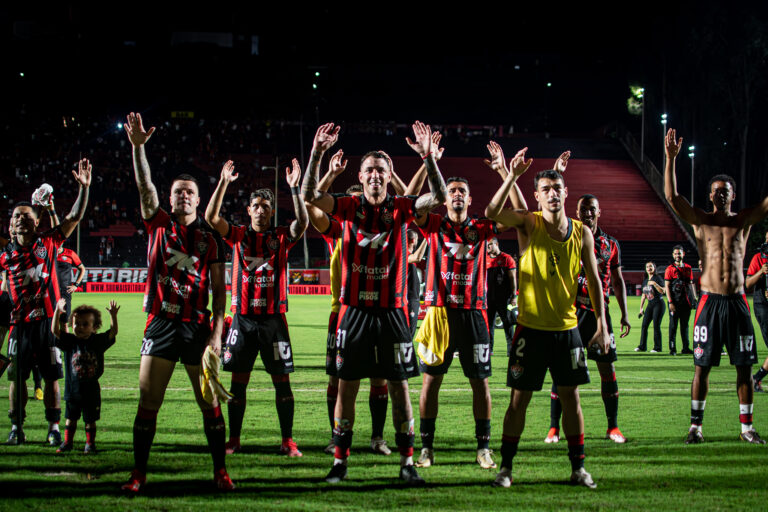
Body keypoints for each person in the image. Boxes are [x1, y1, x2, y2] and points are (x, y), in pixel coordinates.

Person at [302, 121, 447, 485]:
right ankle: (339, 461)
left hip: (393, 314)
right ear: (361, 176)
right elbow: (308, 196)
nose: (375, 176)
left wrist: (428, 157)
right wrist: (318, 153)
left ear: (389, 176)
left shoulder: (402, 207)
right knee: (347, 386)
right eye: (369, 170)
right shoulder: (347, 207)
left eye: (381, 170)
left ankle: (407, 462)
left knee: (399, 386)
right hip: (353, 313)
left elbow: (440, 196)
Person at [120, 113, 233, 492]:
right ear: (169, 199)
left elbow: (221, 294)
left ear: (199, 200)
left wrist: (216, 336)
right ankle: (138, 473)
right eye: (177, 192)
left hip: (197, 329)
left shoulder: (212, 240)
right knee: (147, 402)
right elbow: (144, 184)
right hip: (160, 325)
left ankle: (220, 471)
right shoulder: (157, 222)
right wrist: (139, 148)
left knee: (209, 404)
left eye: (189, 192)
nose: (182, 195)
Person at [485, 146, 609, 489]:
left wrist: (603, 326)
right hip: (530, 330)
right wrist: (509, 175)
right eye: (546, 190)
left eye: (558, 188)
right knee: (518, 402)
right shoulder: (528, 224)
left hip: (567, 330)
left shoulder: (583, 232)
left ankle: (578, 468)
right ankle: (506, 469)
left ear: (565, 192)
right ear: (537, 197)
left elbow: (595, 280)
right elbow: (491, 211)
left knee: (572, 400)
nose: (553, 194)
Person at [664, 128, 766, 445]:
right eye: (716, 191)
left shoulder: (743, 221)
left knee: (744, 368)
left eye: (726, 191)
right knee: (702, 368)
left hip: (737, 302)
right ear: (710, 195)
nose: (721, 195)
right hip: (709, 303)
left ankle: (746, 427)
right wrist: (670, 160)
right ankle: (696, 427)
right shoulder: (701, 221)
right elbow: (671, 198)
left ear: (733, 195)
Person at [204, 158, 308, 457]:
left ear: (272, 210)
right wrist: (224, 182)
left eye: (266, 206)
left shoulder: (280, 237)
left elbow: (302, 223)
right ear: (248, 210)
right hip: (242, 321)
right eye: (256, 206)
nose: (261, 210)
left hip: (274, 321)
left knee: (282, 383)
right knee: (238, 382)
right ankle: (234, 440)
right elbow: (212, 217)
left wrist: (295, 189)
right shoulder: (237, 235)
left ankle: (288, 440)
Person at [414, 174, 509, 471]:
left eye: (462, 191)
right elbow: (414, 206)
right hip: (439, 314)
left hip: (474, 315)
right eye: (452, 190)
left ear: (469, 199)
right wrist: (428, 161)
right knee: (431, 382)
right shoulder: (434, 224)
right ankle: (426, 448)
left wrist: (508, 176)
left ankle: (483, 448)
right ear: (445, 197)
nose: (457, 194)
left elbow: (510, 218)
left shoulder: (481, 228)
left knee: (480, 384)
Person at [1, 159, 91, 446]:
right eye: (16, 216)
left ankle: (53, 427)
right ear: (10, 224)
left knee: (52, 377)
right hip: (20, 325)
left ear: (37, 222)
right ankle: (17, 427)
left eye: (27, 216)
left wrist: (83, 190)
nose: (21, 219)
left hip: (49, 324)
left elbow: (74, 218)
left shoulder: (49, 243)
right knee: (16, 379)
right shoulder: (3, 257)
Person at [52, 299, 118, 454]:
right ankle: (67, 442)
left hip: (91, 391)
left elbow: (113, 332)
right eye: (76, 324)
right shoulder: (70, 341)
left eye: (85, 324)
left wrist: (113, 315)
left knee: (90, 420)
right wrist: (57, 311)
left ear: (94, 328)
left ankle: (90, 444)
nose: (80, 327)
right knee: (71, 419)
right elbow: (55, 331)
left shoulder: (97, 341)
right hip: (72, 391)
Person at [486, 237, 517, 356]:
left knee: (508, 323)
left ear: (496, 244)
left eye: (489, 245)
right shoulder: (486, 259)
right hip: (489, 298)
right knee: (489, 324)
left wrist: (514, 296)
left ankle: (511, 349)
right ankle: (489, 349)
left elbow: (512, 278)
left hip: (504, 298)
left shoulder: (507, 258)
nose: (488, 248)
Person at [665, 245, 697, 355]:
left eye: (679, 253)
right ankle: (672, 349)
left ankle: (686, 348)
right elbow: (667, 286)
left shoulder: (688, 268)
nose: (677, 255)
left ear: (683, 254)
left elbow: (691, 283)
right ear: (673, 255)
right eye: (675, 253)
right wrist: (670, 302)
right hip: (675, 302)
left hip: (686, 302)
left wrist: (695, 297)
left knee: (685, 325)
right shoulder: (670, 269)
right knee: (673, 326)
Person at [747, 232, 768, 392]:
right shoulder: (758, 258)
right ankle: (755, 379)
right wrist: (761, 272)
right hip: (763, 306)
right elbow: (747, 284)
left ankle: (756, 379)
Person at [636, 262, 666, 352]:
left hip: (659, 304)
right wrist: (641, 308)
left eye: (651, 266)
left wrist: (655, 284)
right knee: (644, 325)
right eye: (647, 266)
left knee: (656, 325)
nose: (649, 268)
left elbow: (663, 291)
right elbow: (643, 295)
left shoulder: (657, 278)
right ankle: (642, 346)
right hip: (650, 305)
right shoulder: (645, 280)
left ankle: (657, 347)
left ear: (654, 267)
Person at [55, 246, 87, 331]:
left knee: (64, 323)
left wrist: (76, 285)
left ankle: (65, 344)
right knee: (51, 322)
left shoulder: (70, 253)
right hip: (51, 291)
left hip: (65, 292)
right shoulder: (49, 253)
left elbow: (82, 269)